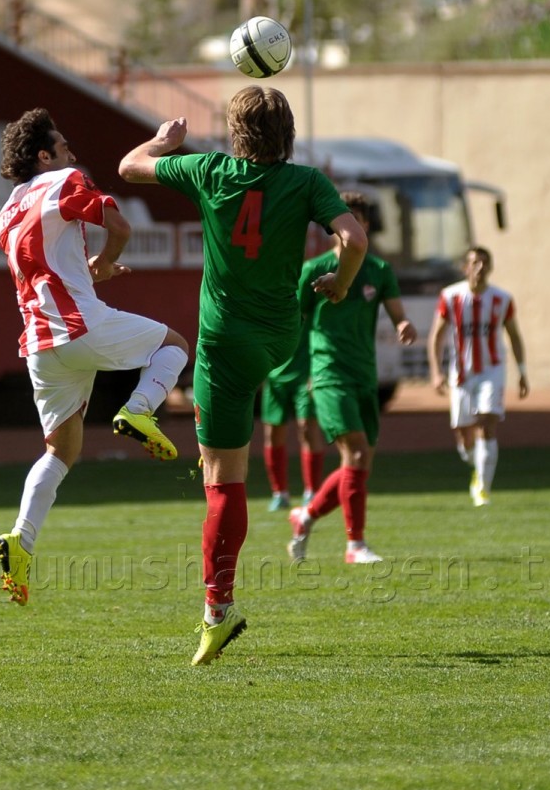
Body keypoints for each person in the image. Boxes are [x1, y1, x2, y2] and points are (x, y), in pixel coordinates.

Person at [118, 85, 368, 665]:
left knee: (221, 473)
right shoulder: (307, 182)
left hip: (225, 343)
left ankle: (217, 610)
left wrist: (163, 140)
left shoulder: (209, 169)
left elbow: (129, 167)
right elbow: (352, 238)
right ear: (290, 134)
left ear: (235, 134)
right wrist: (342, 283)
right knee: (235, 438)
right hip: (279, 334)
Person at [0, 107, 188, 605]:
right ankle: (138, 410)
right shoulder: (63, 179)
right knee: (174, 346)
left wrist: (91, 271)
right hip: (80, 326)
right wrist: (108, 258)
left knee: (61, 452)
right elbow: (119, 225)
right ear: (44, 155)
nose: (72, 152)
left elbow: (49, 269)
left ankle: (21, 539)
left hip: (40, 345)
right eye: (62, 144)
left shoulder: (7, 212)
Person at [287, 192, 417, 564]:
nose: (352, 227)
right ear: (333, 228)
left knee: (357, 464)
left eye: (359, 220)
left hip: (365, 375)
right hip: (328, 373)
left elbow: (397, 313)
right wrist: (294, 370)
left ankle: (305, 516)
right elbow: (294, 320)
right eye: (346, 221)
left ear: (367, 226)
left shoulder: (378, 270)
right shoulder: (313, 271)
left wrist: (404, 324)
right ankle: (355, 544)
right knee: (356, 454)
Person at [427, 245, 529, 506]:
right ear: (465, 268)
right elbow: (436, 336)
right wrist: (437, 372)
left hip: (491, 370)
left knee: (487, 423)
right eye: (474, 262)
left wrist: (522, 372)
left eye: (484, 263)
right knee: (464, 435)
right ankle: (476, 463)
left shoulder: (502, 299)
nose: (480, 267)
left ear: (490, 268)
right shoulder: (450, 296)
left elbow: (514, 336)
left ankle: (482, 488)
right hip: (461, 373)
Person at [260, 324, 326, 512]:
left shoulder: (308, 295)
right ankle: (280, 493)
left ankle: (312, 492)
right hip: (274, 376)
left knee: (307, 428)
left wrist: (317, 369)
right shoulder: (266, 299)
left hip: (305, 373)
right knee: (272, 432)